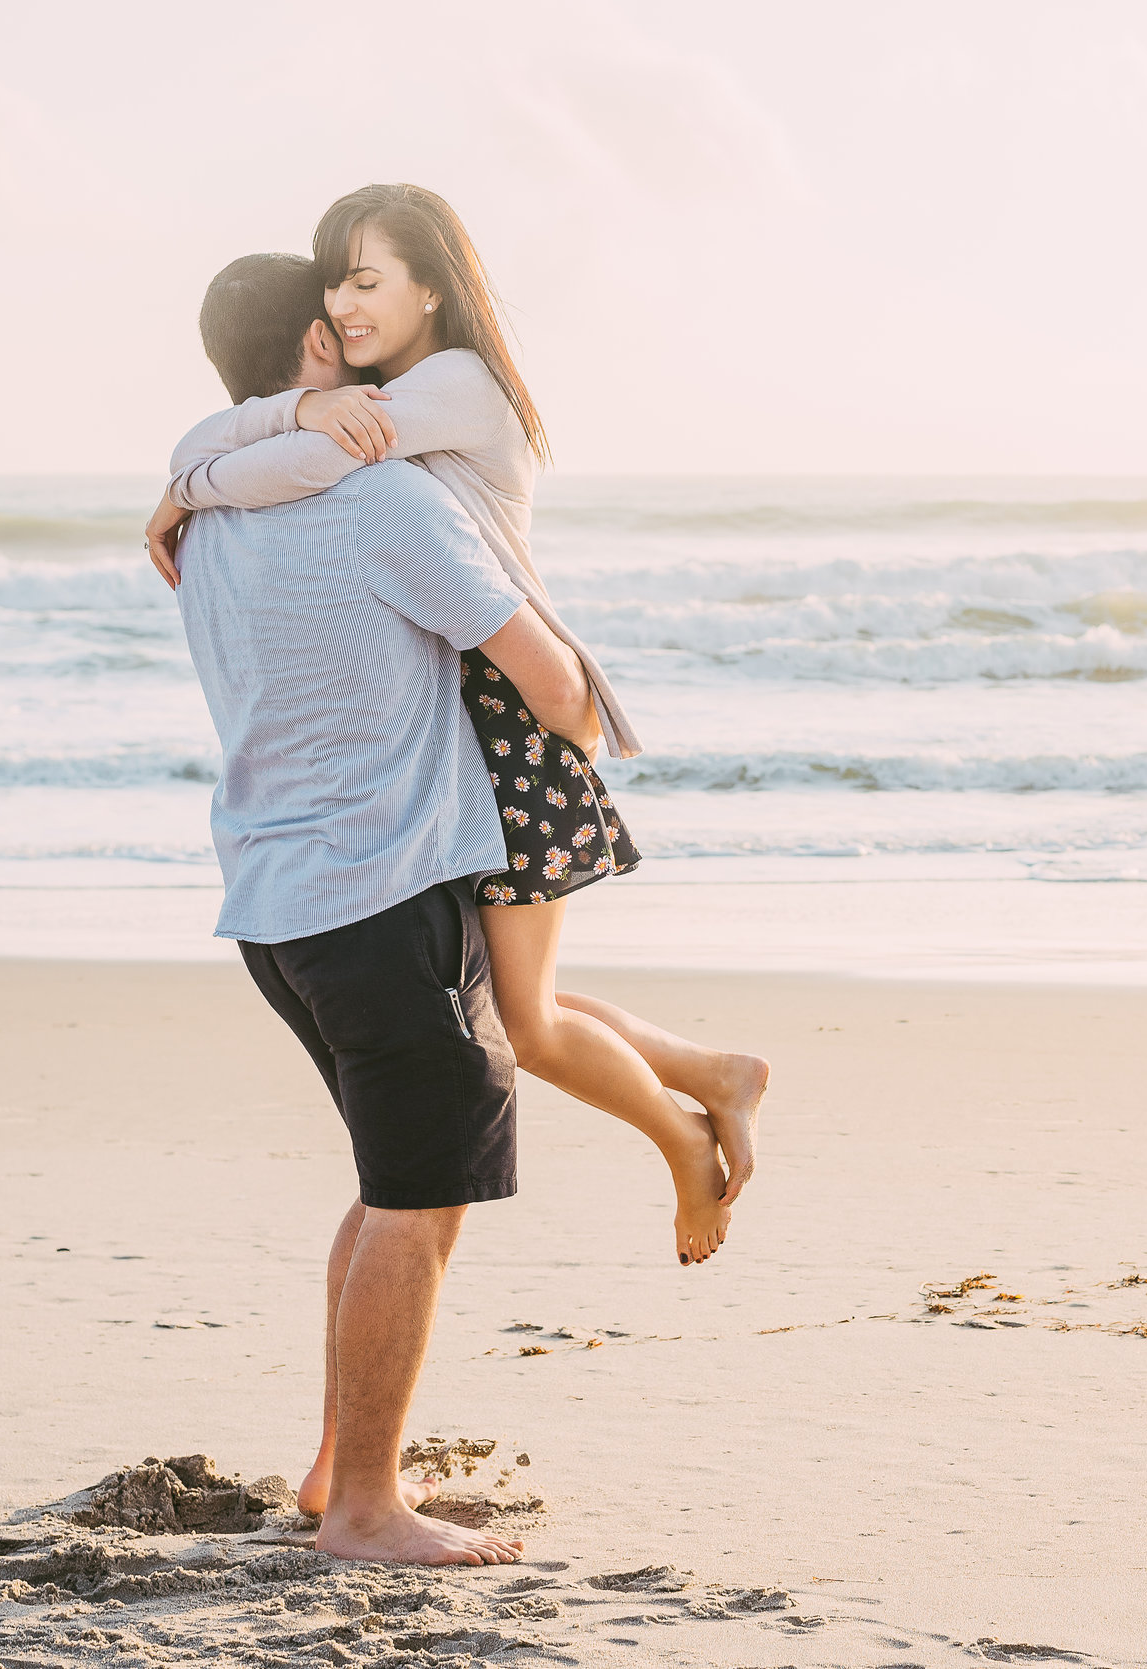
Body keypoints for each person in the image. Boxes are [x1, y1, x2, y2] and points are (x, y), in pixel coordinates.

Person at [164, 251, 683, 1565]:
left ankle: (341, 1467)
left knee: (401, 1184)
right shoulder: (385, 502)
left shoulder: (207, 514)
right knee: (415, 1192)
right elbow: (552, 683)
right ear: (314, 353)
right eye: (342, 322)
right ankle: (363, 1511)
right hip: (385, 892)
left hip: (275, 909)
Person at [147, 185, 767, 1266]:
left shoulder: (458, 386)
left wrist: (193, 484)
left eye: (367, 276)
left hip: (508, 725)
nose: (343, 301)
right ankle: (712, 1073)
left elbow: (301, 463)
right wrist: (255, 433)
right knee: (499, 1007)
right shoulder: (386, 390)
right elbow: (276, 444)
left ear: (433, 284)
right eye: (334, 278)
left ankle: (682, 1135)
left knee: (521, 1026)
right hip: (456, 727)